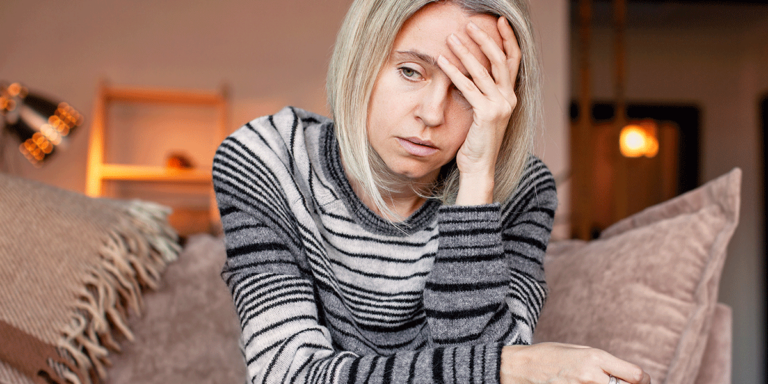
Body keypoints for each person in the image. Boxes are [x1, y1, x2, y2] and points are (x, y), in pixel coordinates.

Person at [212, 0, 652, 383]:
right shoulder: (265, 160)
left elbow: (482, 349)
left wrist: (477, 178)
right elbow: (288, 375)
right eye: (410, 71)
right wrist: (502, 369)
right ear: (359, 58)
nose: (431, 113)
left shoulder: (522, 190)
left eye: (467, 89)